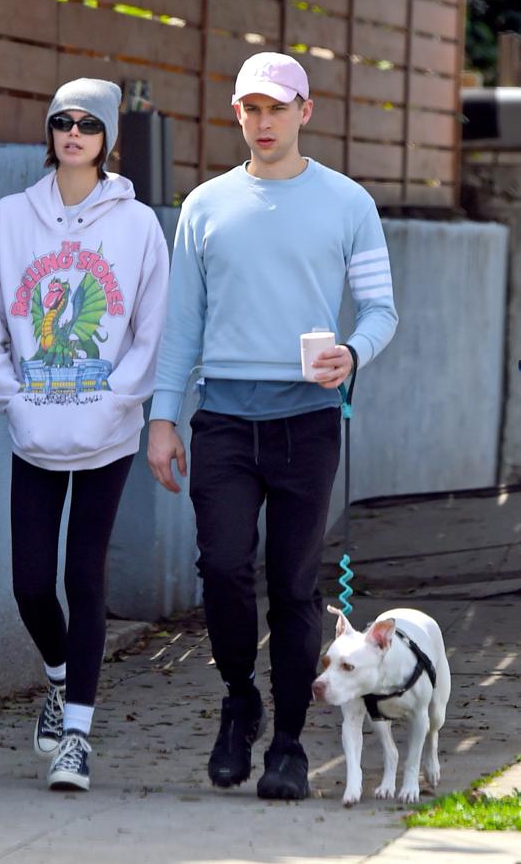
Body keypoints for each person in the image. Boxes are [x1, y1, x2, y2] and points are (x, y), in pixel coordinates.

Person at [147, 52, 398, 800]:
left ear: (305, 112)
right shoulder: (204, 205)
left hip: (308, 423)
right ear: (237, 113)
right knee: (222, 568)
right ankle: (238, 702)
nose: (263, 123)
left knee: (293, 586)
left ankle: (288, 741)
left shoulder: (348, 202)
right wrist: (164, 420)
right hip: (223, 418)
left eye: (277, 109)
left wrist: (353, 353)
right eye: (251, 109)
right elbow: (178, 328)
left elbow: (382, 310)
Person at [0, 78, 169, 792]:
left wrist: (119, 402)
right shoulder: (9, 219)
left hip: (108, 435)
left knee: (85, 578)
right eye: (63, 121)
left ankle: (76, 738)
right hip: (35, 433)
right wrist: (15, 406)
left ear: (110, 138)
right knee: (31, 585)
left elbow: (152, 328)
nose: (75, 133)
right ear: (50, 132)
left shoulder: (138, 225)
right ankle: (58, 675)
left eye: (89, 123)